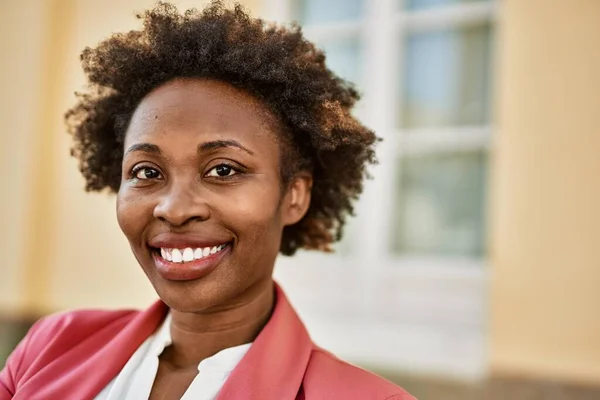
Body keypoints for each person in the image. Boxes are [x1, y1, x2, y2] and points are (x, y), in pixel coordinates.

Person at [0, 2, 414, 399]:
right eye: (147, 172)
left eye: (223, 170)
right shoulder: (51, 348)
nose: (175, 209)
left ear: (294, 196)